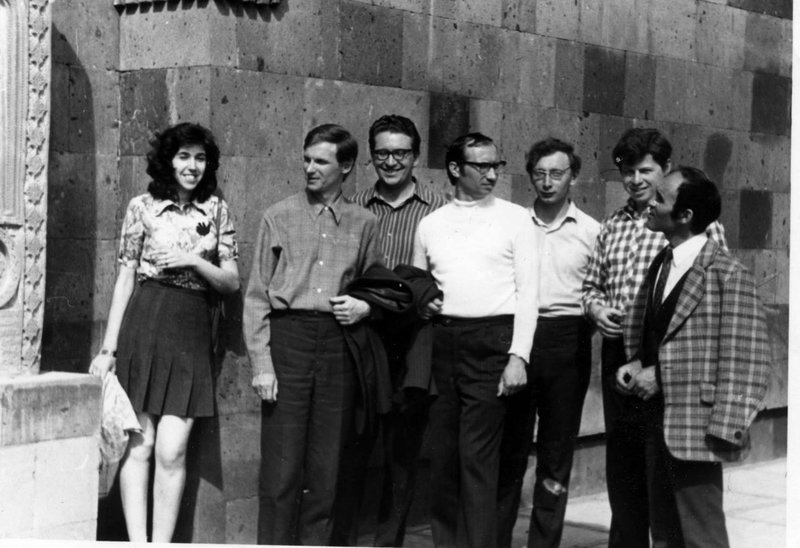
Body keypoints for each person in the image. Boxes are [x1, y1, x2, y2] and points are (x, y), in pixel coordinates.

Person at [89, 122, 240, 542]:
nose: (192, 166)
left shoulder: (217, 210)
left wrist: (194, 262)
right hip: (145, 323)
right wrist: (108, 349)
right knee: (140, 444)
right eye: (183, 156)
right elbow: (125, 278)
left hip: (191, 329)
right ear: (168, 161)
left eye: (200, 158)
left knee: (173, 450)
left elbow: (231, 282)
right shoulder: (142, 207)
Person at [581, 127, 727, 547]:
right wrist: (597, 309)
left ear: (666, 168)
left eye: (645, 171)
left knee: (667, 469)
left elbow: (713, 296)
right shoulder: (613, 224)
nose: (635, 180)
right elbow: (592, 285)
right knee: (624, 467)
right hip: (620, 356)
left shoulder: (692, 220)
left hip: (669, 356)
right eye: (627, 171)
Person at [243, 123, 381, 546]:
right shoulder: (279, 215)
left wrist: (365, 306)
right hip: (290, 341)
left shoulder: (365, 222)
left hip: (339, 345)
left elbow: (375, 287)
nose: (310, 168)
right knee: (282, 469)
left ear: (346, 166)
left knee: (327, 467)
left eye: (321, 161)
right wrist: (262, 366)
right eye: (306, 159)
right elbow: (256, 297)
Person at [618, 166, 770, 547]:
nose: (650, 203)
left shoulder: (727, 274)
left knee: (703, 536)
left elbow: (749, 362)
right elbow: (655, 331)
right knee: (664, 533)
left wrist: (724, 430)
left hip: (697, 428)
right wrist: (636, 361)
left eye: (660, 198)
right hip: (656, 421)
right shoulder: (662, 262)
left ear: (685, 215)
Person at [413, 132, 541, 548]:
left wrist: (518, 356)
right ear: (455, 169)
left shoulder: (515, 218)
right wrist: (424, 302)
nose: (491, 174)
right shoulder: (431, 224)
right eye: (481, 166)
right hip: (443, 344)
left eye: (495, 165)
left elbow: (529, 293)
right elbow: (418, 285)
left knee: (478, 458)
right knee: (444, 457)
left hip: (493, 343)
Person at [333, 114, 448, 547]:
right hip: (364, 336)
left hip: (413, 339)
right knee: (354, 445)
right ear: (370, 156)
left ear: (416, 156)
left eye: (401, 153)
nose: (391, 161)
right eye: (382, 153)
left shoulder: (440, 210)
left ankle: (388, 541)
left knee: (403, 451)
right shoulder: (354, 207)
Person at [498, 138, 600, 548]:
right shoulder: (514, 224)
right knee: (510, 448)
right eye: (539, 173)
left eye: (556, 173)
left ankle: (543, 542)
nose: (547, 182)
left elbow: (598, 292)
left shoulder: (592, 231)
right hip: (516, 343)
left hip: (567, 341)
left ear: (573, 176)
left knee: (556, 453)